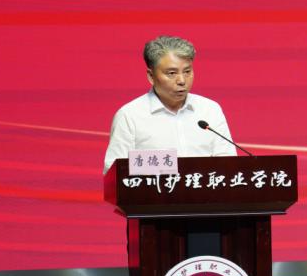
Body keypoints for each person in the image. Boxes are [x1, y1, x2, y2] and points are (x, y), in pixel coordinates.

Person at [102, 35, 237, 174]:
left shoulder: (210, 110)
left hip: (203, 188)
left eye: (187, 72)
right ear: (151, 76)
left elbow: (229, 164)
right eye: (172, 73)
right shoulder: (130, 116)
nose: (182, 80)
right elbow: (113, 173)